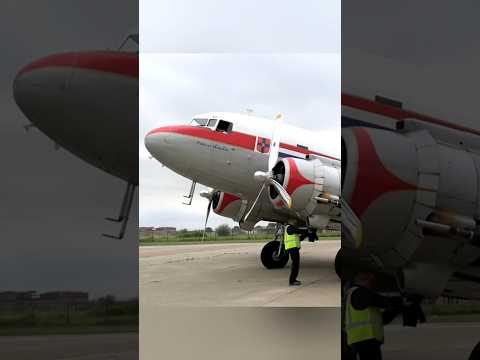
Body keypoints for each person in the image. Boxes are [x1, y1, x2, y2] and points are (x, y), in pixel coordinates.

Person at [344, 272, 403, 360]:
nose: (373, 285)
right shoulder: (358, 292)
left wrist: (398, 307)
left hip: (365, 340)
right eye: (371, 281)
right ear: (363, 281)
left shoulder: (362, 298)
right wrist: (401, 300)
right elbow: (380, 301)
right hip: (364, 339)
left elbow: (383, 319)